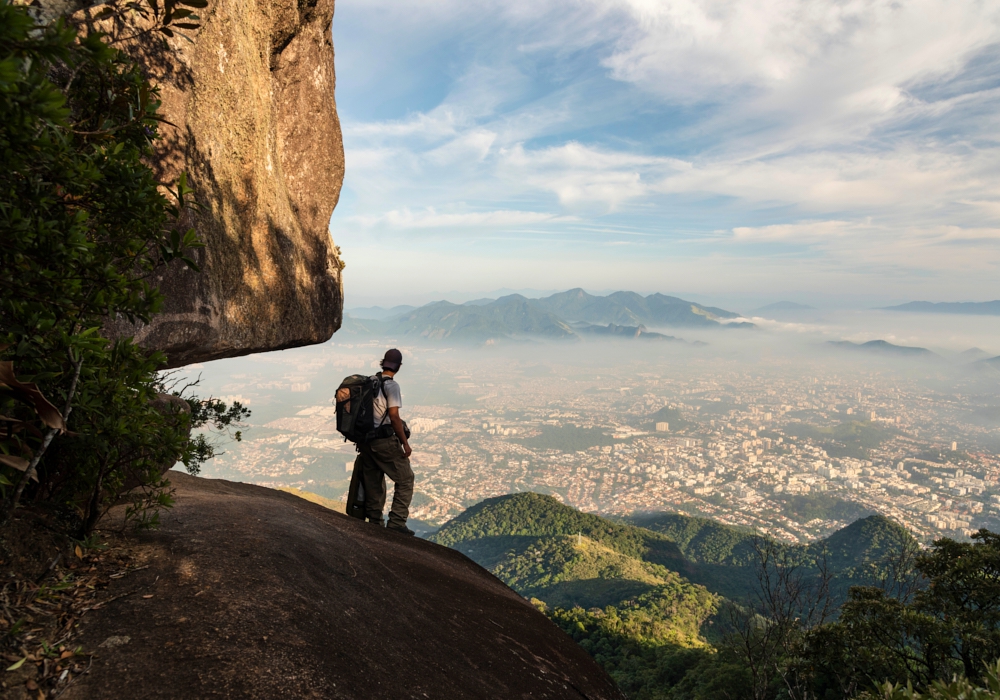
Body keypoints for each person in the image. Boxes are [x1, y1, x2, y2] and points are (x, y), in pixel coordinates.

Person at [356, 348, 415, 535]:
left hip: (366, 442)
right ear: (399, 366)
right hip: (384, 441)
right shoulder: (392, 386)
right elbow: (394, 417)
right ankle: (397, 522)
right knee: (405, 479)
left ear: (383, 363)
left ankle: (375, 522)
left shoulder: (370, 381)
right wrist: (405, 442)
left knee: (374, 482)